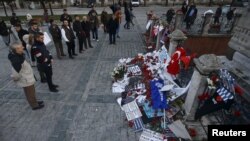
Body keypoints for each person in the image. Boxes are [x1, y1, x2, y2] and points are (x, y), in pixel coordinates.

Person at [8, 42, 44, 110]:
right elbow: (15, 74)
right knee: (30, 94)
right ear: (17, 49)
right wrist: (19, 78)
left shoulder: (19, 55)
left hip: (28, 78)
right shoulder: (16, 60)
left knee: (32, 92)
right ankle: (34, 105)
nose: (23, 47)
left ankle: (35, 101)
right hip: (26, 80)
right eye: (21, 47)